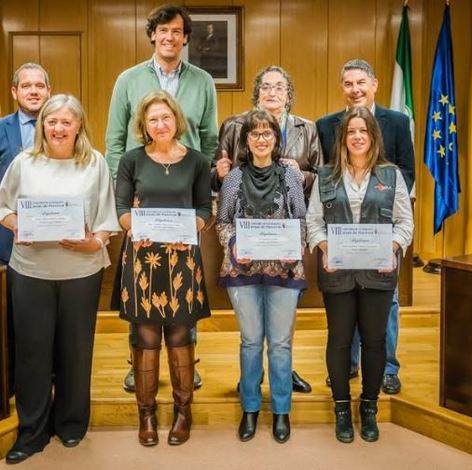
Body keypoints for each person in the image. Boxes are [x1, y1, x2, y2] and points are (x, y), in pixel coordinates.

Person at [0, 94, 120, 464]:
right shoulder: (25, 162)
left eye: (66, 121)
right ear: (42, 126)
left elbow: (106, 218)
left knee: (75, 351)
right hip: (31, 271)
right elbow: (3, 206)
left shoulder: (94, 163)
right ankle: (32, 431)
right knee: (33, 354)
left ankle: (71, 424)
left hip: (81, 272)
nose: (58, 128)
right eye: (51, 122)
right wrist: (18, 224)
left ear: (79, 125)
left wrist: (93, 243)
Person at [105, 4, 218, 392]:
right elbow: (115, 140)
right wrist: (125, 189)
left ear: (186, 38)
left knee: (184, 282)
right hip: (142, 197)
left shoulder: (203, 80)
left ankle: (187, 359)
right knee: (141, 281)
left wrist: (202, 196)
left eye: (177, 31)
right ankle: (138, 363)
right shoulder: (128, 79)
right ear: (152, 35)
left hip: (185, 200)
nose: (169, 37)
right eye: (162, 31)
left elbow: (209, 138)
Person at [307, 106, 413, 443]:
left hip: (378, 272)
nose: (357, 137)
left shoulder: (391, 175)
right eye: (351, 131)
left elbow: (405, 223)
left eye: (363, 131)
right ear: (343, 137)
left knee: (375, 340)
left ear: (373, 137)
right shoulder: (325, 175)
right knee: (338, 340)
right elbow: (313, 222)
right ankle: (341, 408)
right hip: (337, 272)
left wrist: (392, 249)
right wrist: (325, 249)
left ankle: (369, 407)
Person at [215, 65, 322, 394]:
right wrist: (218, 172)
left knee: (281, 320)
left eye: (279, 87)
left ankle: (283, 372)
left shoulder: (307, 127)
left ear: (288, 94)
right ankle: (252, 378)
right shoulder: (234, 125)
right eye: (265, 87)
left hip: (286, 231)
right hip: (245, 226)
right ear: (256, 93)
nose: (272, 92)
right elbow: (222, 173)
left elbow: (320, 175)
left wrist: (299, 174)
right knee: (251, 332)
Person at [115, 90, 212, 447]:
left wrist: (190, 229)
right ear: (144, 125)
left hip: (182, 260)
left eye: (166, 118)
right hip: (141, 260)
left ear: (177, 121)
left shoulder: (197, 162)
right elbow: (122, 208)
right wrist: (133, 227)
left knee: (179, 336)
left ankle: (183, 412)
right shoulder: (131, 160)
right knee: (145, 338)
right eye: (153, 119)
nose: (160, 124)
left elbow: (205, 209)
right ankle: (147, 414)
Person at [316, 59, 415, 395]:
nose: (355, 89)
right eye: (348, 83)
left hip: (381, 233)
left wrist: (382, 225)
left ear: (375, 83)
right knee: (345, 308)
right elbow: (326, 177)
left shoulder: (398, 122)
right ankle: (350, 364)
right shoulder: (326, 125)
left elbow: (406, 172)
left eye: (361, 82)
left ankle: (387, 368)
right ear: (342, 88)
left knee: (384, 308)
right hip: (342, 233)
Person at [217, 109, 307, 444]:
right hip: (243, 270)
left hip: (284, 269)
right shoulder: (234, 178)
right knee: (251, 342)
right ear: (245, 141)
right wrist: (235, 245)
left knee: (280, 344)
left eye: (267, 133)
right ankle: (250, 408)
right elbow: (224, 221)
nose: (261, 139)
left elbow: (300, 218)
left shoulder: (291, 175)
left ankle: (282, 411)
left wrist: (294, 248)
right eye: (254, 134)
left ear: (276, 138)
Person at [0, 63, 51, 399]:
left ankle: (51, 381)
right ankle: (13, 384)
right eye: (27, 85)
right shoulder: (1, 129)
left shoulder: (62, 126)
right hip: (8, 241)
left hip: (55, 242)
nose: (34, 91)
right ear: (15, 92)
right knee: (10, 320)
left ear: (49, 90)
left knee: (48, 321)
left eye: (40, 85)